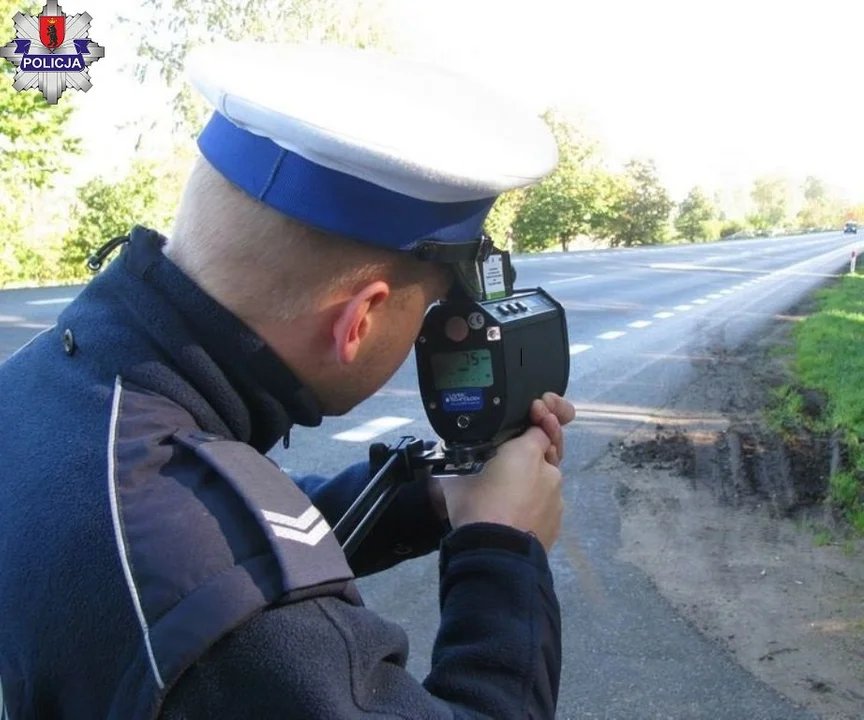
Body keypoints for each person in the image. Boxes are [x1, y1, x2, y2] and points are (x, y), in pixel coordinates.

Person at [0, 42, 575, 719]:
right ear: (360, 320)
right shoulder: (244, 631)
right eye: (428, 311)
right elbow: (227, 561)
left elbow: (232, 521)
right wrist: (503, 551)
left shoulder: (54, 385)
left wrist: (436, 498)